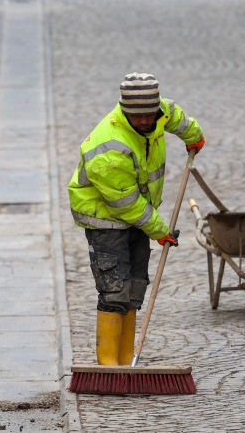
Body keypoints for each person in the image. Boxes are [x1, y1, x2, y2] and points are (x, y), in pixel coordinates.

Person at [68, 73, 205, 365]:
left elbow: (174, 115)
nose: (145, 121)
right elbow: (125, 204)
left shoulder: (159, 112)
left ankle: (126, 360)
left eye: (150, 114)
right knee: (114, 291)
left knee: (134, 290)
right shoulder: (109, 148)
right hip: (105, 221)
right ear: (125, 111)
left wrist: (194, 135)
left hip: (139, 219)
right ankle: (108, 366)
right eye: (137, 116)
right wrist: (160, 230)